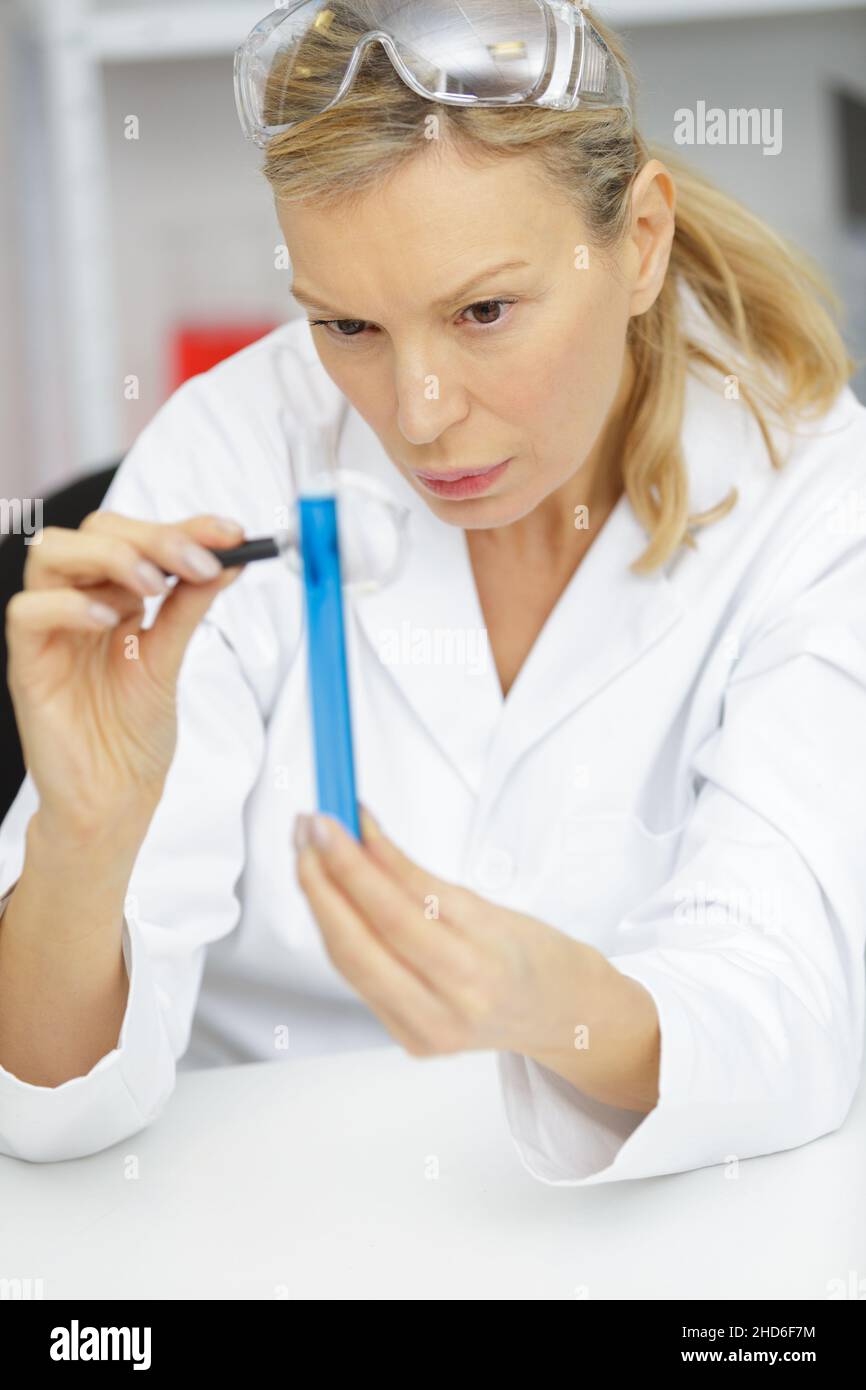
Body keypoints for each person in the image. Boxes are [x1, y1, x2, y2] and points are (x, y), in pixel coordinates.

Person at [1, 1, 865, 1185]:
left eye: (483, 313)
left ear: (641, 240)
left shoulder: (810, 492)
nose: (415, 412)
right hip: (251, 1216)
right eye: (347, 324)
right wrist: (81, 847)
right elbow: (44, 1110)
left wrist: (548, 1003)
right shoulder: (233, 452)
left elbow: (784, 1008)